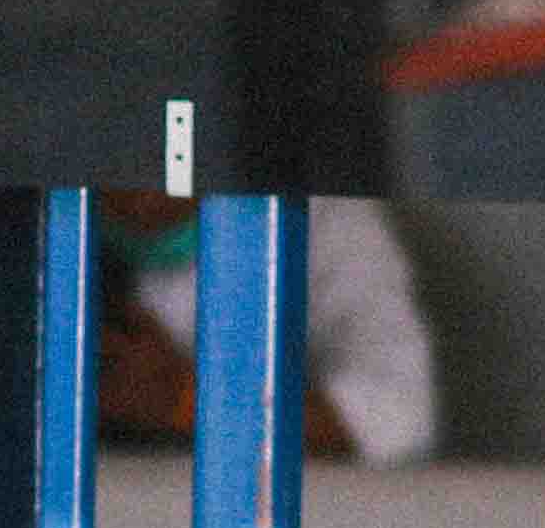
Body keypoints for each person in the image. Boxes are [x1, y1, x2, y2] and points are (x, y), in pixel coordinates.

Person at [88, 190, 438, 466]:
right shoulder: (63, 208)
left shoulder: (318, 215)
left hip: (250, 515)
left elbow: (403, 413)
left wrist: (189, 402)